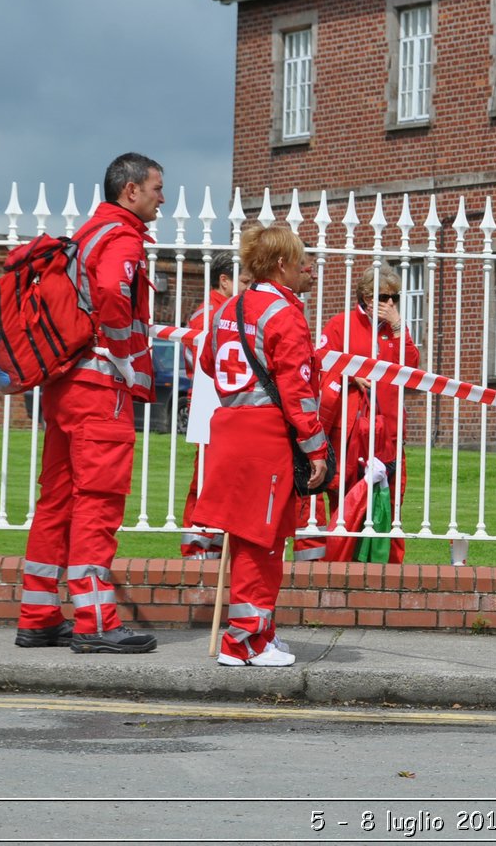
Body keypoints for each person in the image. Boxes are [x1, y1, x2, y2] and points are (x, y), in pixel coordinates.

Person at [15, 152, 164, 654]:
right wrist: (125, 356)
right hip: (101, 390)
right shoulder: (122, 238)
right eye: (157, 188)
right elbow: (111, 293)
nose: (161, 198)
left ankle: (38, 615)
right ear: (131, 192)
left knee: (57, 499)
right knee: (97, 501)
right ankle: (96, 620)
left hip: (65, 386)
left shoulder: (86, 234)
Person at [192, 226, 330, 667]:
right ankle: (246, 642)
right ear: (280, 265)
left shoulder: (227, 307)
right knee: (262, 542)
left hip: (230, 427)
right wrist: (315, 447)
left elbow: (209, 362)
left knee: (250, 538)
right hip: (265, 436)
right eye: (300, 258)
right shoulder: (283, 313)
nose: (307, 266)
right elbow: (298, 389)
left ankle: (260, 631)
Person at [316, 267, 421, 563]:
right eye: (383, 297)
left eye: (394, 297)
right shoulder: (342, 324)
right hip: (350, 428)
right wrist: (351, 375)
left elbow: (411, 370)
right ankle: (340, 559)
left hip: (388, 427)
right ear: (366, 296)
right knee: (346, 493)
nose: (389, 303)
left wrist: (399, 326)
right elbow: (320, 365)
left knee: (390, 497)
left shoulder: (394, 331)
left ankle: (381, 562)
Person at [179, 252, 238, 559]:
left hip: (222, 406)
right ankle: (197, 547)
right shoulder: (209, 314)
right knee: (206, 478)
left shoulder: (223, 310)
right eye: (244, 280)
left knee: (220, 479)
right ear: (224, 280)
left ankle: (211, 542)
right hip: (209, 406)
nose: (248, 287)